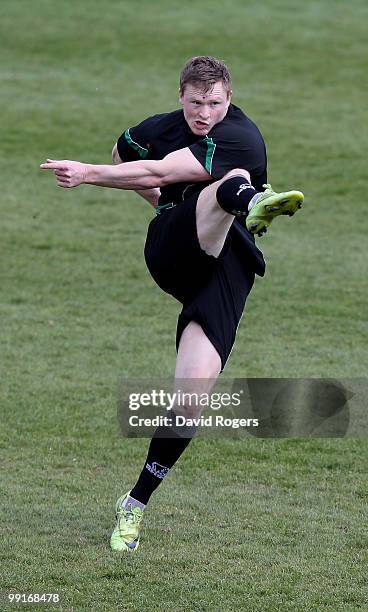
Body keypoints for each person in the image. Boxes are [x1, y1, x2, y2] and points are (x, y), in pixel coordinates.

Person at [41, 56, 304, 553]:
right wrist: (145, 194)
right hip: (175, 247)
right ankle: (252, 204)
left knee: (191, 398)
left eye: (215, 103)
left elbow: (160, 166)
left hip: (228, 271)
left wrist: (95, 175)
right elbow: (129, 154)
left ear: (230, 98)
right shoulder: (163, 128)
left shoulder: (241, 134)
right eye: (196, 102)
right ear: (180, 94)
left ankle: (134, 504)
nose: (205, 112)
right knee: (229, 184)